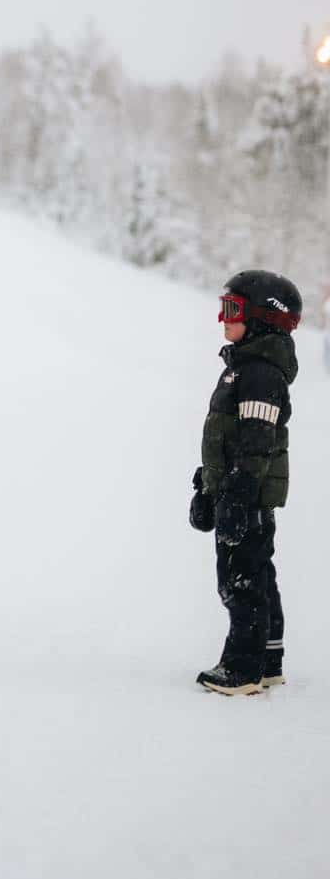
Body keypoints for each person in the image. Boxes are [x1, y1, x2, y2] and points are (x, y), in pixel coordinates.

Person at [188, 269, 300, 696]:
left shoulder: (259, 374)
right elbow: (227, 439)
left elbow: (256, 444)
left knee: (241, 579)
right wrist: (206, 486)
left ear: (261, 318)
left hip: (247, 495)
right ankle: (268, 660)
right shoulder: (245, 368)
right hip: (238, 491)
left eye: (232, 309)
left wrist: (235, 496)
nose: (223, 318)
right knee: (257, 572)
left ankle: (243, 667)